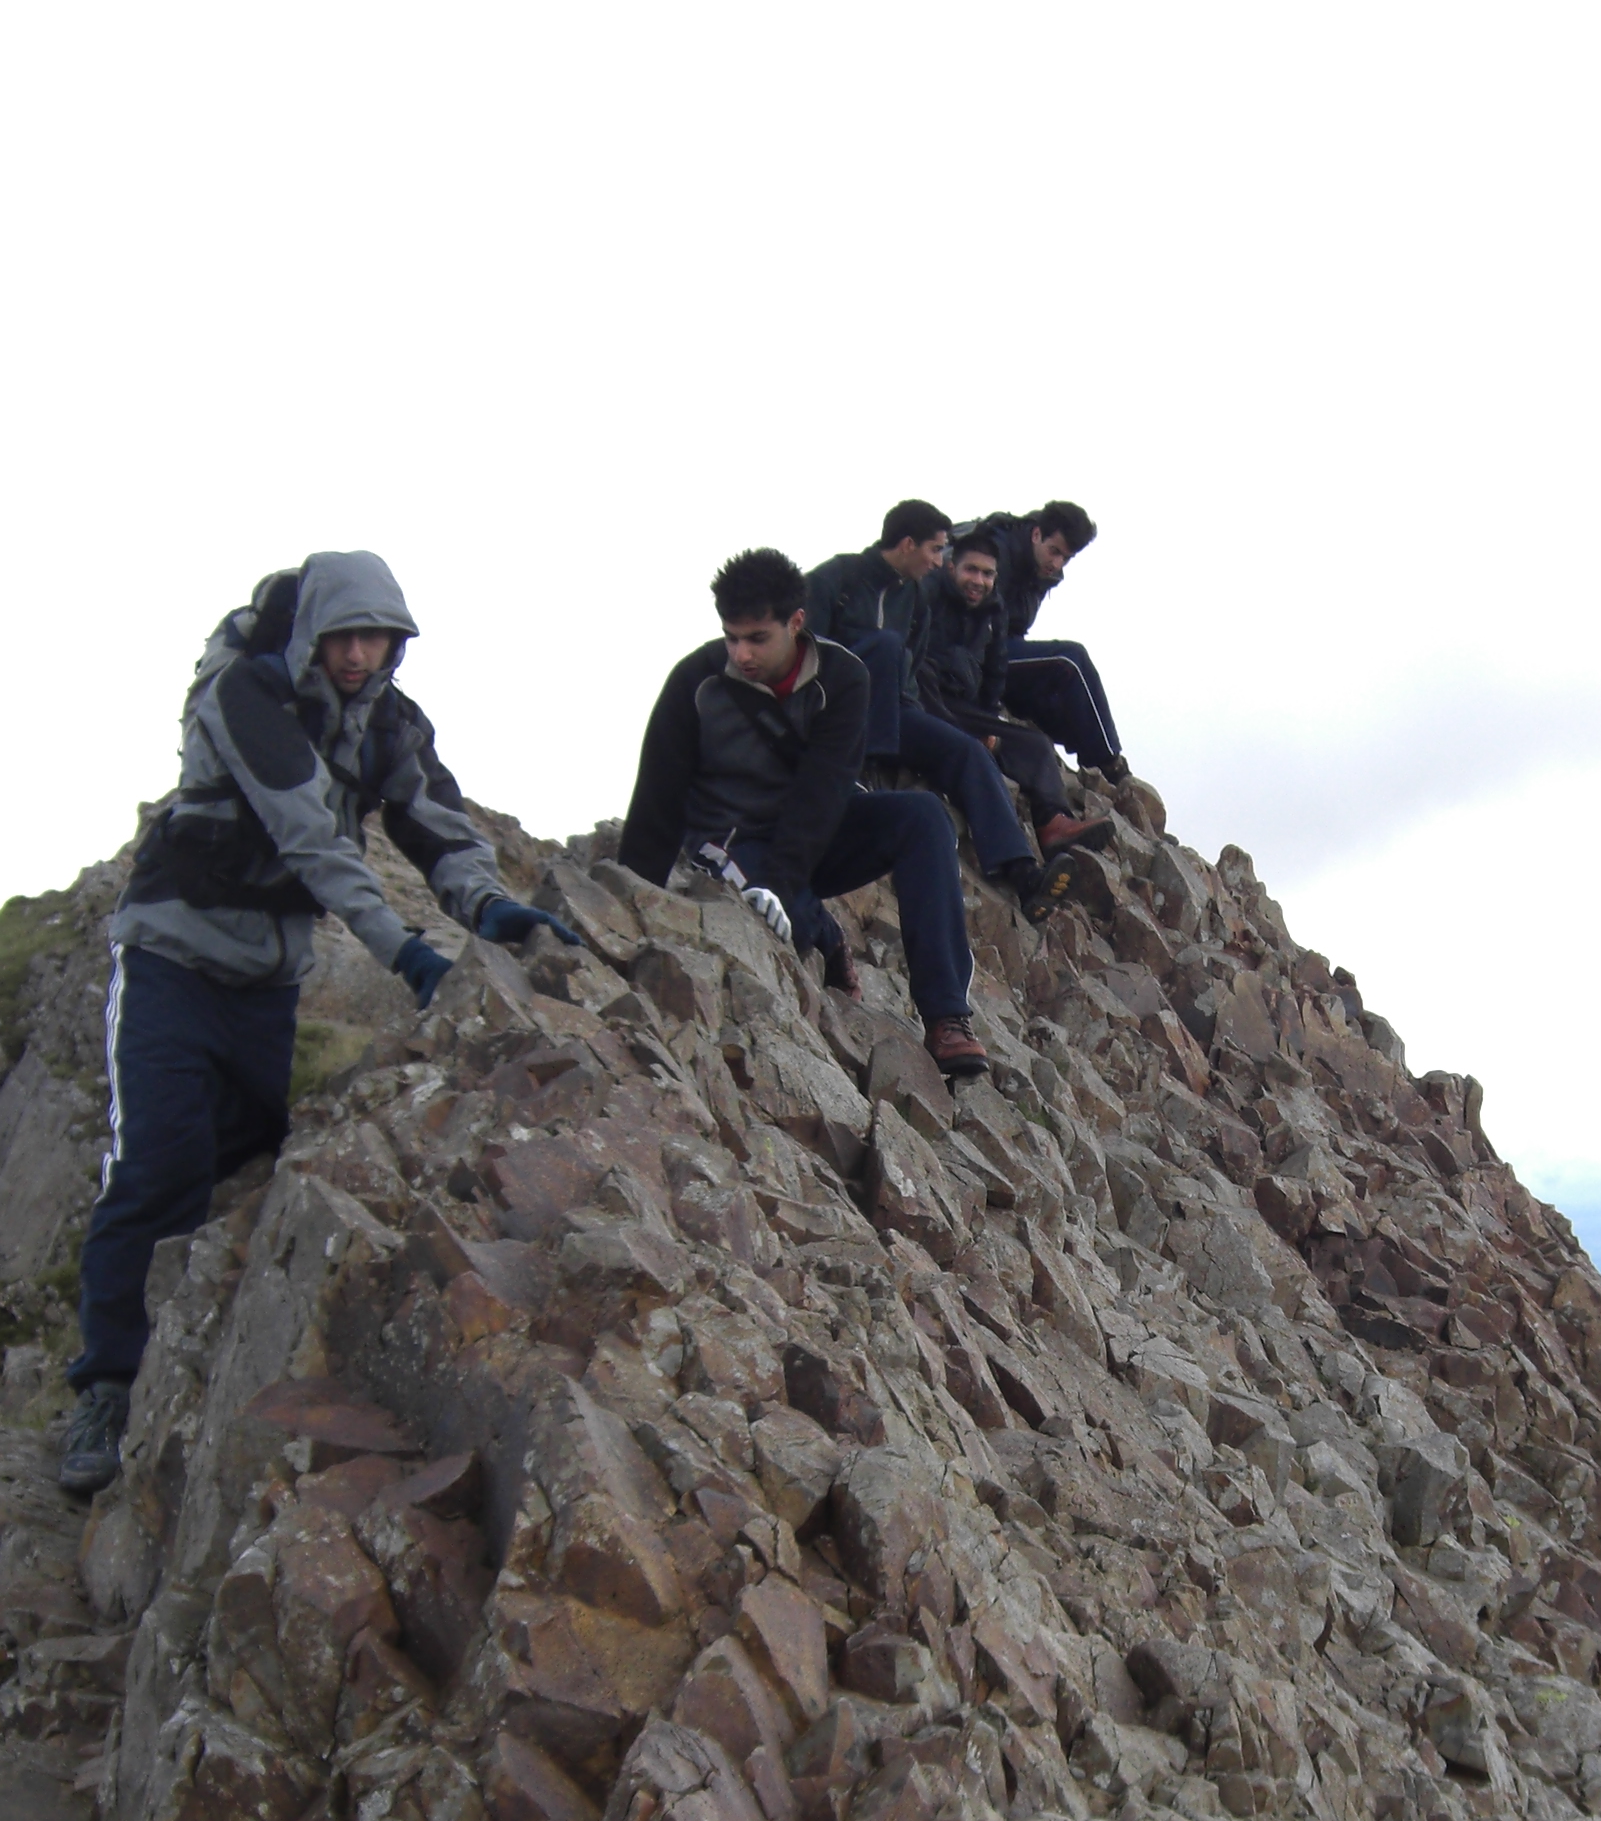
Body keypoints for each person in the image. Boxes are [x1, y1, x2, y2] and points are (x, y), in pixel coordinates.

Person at [59, 551, 568, 1495]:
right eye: (347, 635)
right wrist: (407, 952)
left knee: (248, 1163)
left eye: (380, 638)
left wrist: (491, 906)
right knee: (157, 1164)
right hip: (170, 961)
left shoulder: (390, 721)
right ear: (315, 633)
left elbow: (437, 823)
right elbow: (312, 839)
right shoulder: (247, 695)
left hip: (265, 981)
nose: (361, 654)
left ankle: (193, 1364)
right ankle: (105, 1386)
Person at [623, 548, 996, 1085]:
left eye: (757, 638)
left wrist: (780, 878)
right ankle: (822, 930)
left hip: (814, 828)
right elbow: (657, 798)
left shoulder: (843, 677)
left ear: (796, 624)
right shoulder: (697, 682)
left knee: (923, 817)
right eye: (732, 637)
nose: (741, 653)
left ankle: (946, 1016)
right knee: (779, 921)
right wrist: (633, 895)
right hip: (730, 838)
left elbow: (825, 789)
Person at [804, 503, 1064, 913]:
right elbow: (801, 646)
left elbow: (913, 663)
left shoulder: (914, 599)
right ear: (908, 544)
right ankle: (862, 776)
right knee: (883, 646)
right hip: (833, 711)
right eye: (936, 549)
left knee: (967, 750)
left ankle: (1021, 872)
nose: (938, 560)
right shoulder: (838, 578)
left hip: (897, 712)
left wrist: (927, 723)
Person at [914, 536, 1113, 858]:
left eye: (987, 574)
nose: (979, 581)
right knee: (922, 675)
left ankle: (1054, 823)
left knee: (1035, 743)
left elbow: (995, 675)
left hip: (963, 705)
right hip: (925, 699)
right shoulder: (927, 594)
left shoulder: (994, 612)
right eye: (971, 571)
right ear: (952, 568)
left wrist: (991, 720)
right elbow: (912, 657)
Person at [978, 500, 1129, 784]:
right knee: (1069, 659)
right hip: (975, 652)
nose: (1057, 563)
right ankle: (1111, 765)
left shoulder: (1037, 571)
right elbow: (979, 627)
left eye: (1066, 558)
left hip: (1000, 651)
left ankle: (1095, 769)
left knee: (1063, 702)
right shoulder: (998, 551)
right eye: (1054, 551)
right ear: (1036, 534)